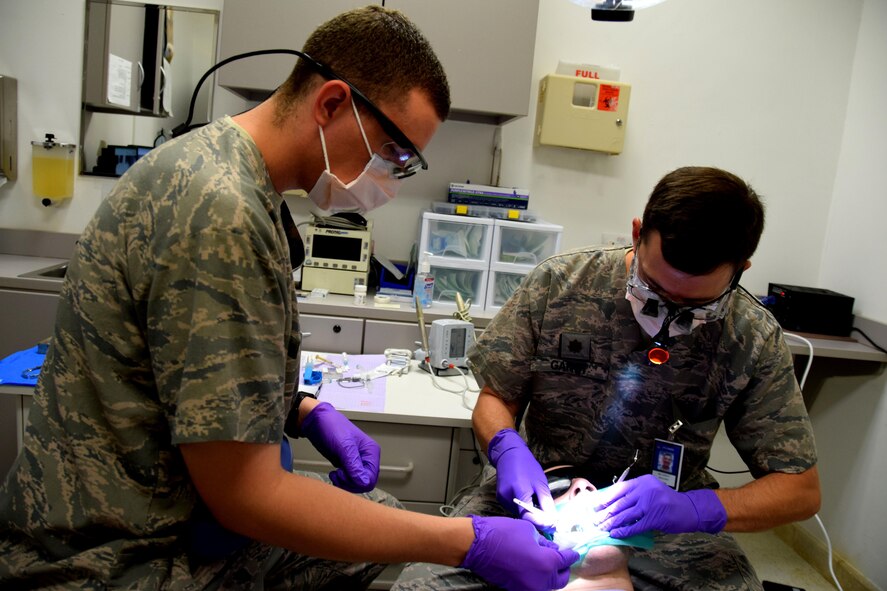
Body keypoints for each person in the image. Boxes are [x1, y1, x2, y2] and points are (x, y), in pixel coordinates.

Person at [0, 7, 577, 590]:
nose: (393, 178)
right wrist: (466, 542)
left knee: (375, 520)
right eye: (394, 154)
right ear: (330, 104)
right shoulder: (219, 211)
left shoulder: (223, 171)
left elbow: (185, 369)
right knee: (390, 537)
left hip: (154, 516)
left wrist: (301, 410)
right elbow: (247, 498)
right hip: (115, 559)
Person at [393, 166, 821, 590]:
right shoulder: (559, 285)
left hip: (667, 520)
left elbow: (800, 490)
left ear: (741, 269)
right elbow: (495, 397)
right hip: (537, 497)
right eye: (653, 290)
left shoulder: (751, 335)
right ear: (637, 232)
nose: (667, 313)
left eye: (694, 306)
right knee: (422, 584)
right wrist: (507, 450)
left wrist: (694, 509)